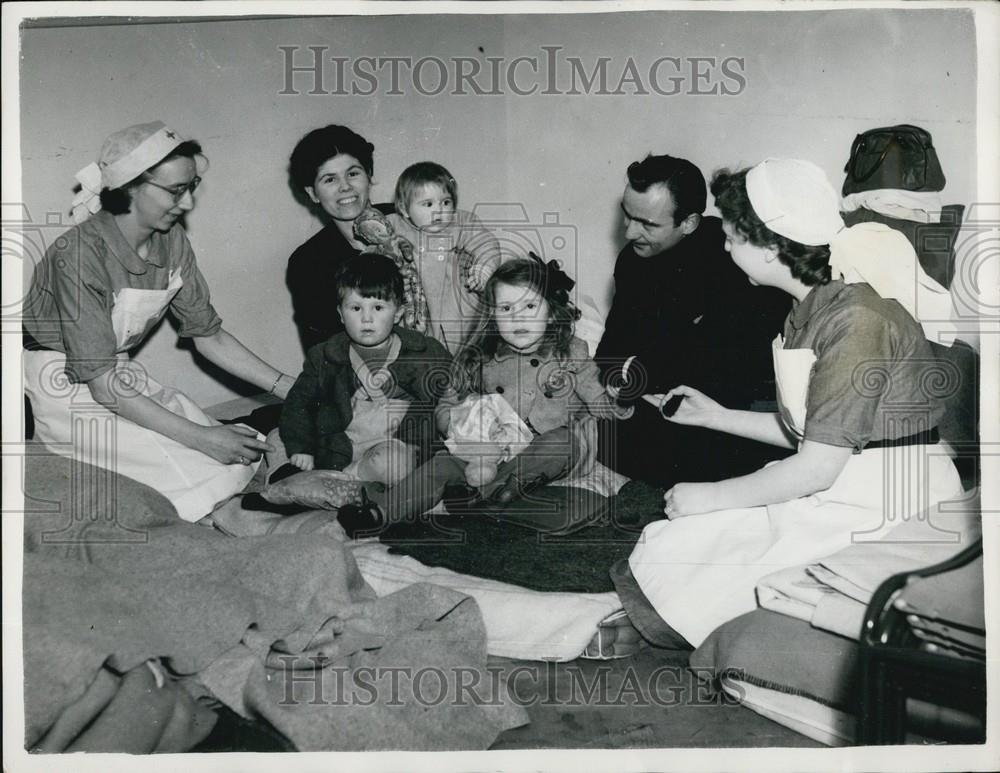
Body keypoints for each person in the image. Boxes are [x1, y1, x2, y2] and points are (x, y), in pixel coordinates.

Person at [611, 158, 963, 651]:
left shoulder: (856, 321)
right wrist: (713, 415)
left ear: (772, 245)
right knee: (682, 544)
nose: (725, 244)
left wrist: (712, 496)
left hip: (887, 499)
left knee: (706, 553)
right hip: (845, 475)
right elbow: (812, 430)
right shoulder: (809, 309)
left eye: (733, 235)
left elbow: (817, 466)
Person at [22, 121, 296, 522]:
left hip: (114, 373)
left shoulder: (171, 240)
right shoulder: (78, 255)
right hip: (60, 382)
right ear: (130, 187)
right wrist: (202, 439)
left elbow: (209, 335)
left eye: (191, 187)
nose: (187, 204)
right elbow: (101, 386)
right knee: (179, 460)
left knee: (227, 443)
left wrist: (292, 387)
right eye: (175, 191)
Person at [342, 255, 633, 533]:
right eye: (506, 309)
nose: (518, 318)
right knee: (442, 463)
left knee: (562, 441)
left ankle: (486, 493)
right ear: (492, 316)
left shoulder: (571, 352)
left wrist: (619, 401)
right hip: (489, 450)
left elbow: (598, 398)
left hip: (544, 452)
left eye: (530, 306)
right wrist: (457, 423)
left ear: (551, 311)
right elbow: (448, 402)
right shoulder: (479, 357)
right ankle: (381, 513)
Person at [596, 154, 791, 488]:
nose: (629, 232)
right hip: (654, 398)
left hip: (723, 408)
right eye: (627, 216)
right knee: (589, 426)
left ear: (689, 223)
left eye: (647, 224)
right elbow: (611, 348)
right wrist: (625, 375)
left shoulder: (736, 256)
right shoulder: (631, 261)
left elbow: (738, 361)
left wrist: (646, 372)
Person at [276, 254, 451, 485]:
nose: (367, 319)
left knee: (392, 465)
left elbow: (455, 389)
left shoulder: (426, 351)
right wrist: (302, 448)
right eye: (356, 308)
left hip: (399, 445)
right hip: (343, 446)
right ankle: (338, 478)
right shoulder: (324, 357)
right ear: (340, 313)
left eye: (378, 307)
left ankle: (348, 480)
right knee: (276, 441)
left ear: (398, 312)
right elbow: (298, 404)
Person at [285, 124, 391, 352]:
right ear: (312, 193)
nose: (345, 187)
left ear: (369, 175)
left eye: (353, 173)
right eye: (329, 179)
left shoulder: (410, 217)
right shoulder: (308, 263)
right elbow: (327, 350)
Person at [388, 162, 502, 353]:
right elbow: (374, 253)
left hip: (457, 309)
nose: (439, 211)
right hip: (415, 309)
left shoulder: (461, 222)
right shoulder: (395, 226)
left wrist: (485, 267)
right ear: (404, 209)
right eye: (428, 204)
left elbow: (486, 242)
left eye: (446, 202)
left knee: (463, 350)